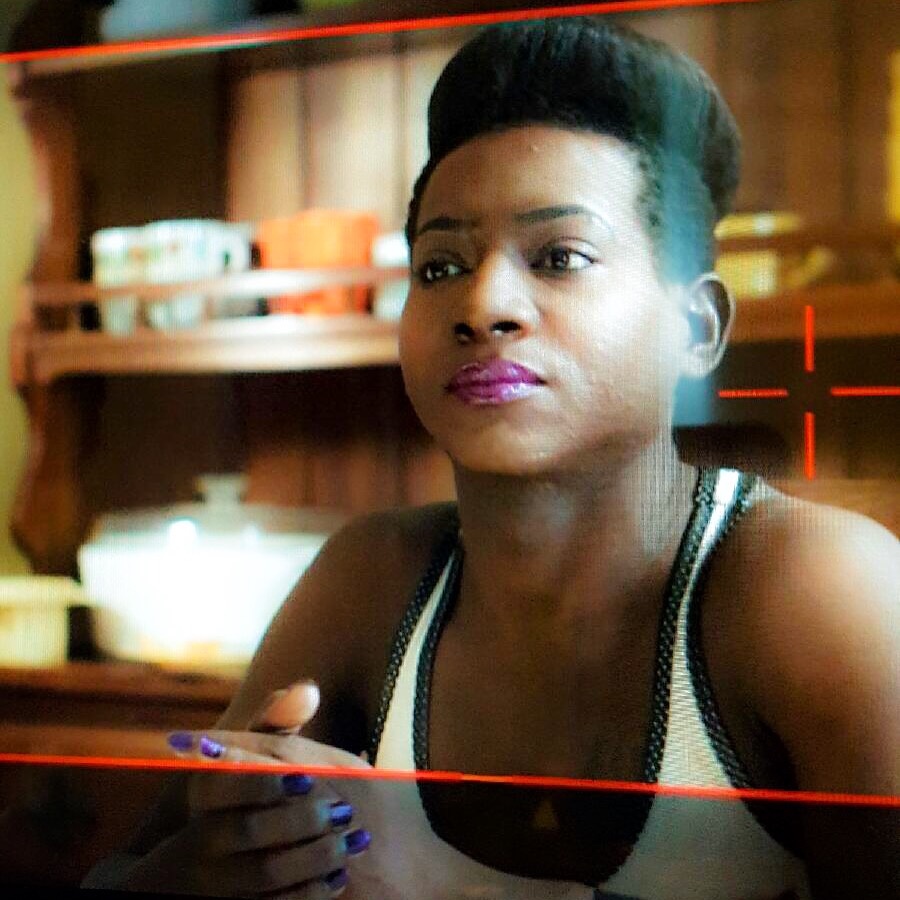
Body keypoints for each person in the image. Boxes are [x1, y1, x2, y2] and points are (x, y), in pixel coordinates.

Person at [83, 17, 899, 900]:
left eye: (560, 257)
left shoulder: (815, 590)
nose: (483, 306)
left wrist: (453, 885)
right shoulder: (370, 579)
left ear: (697, 328)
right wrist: (216, 860)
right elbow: (125, 873)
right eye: (440, 267)